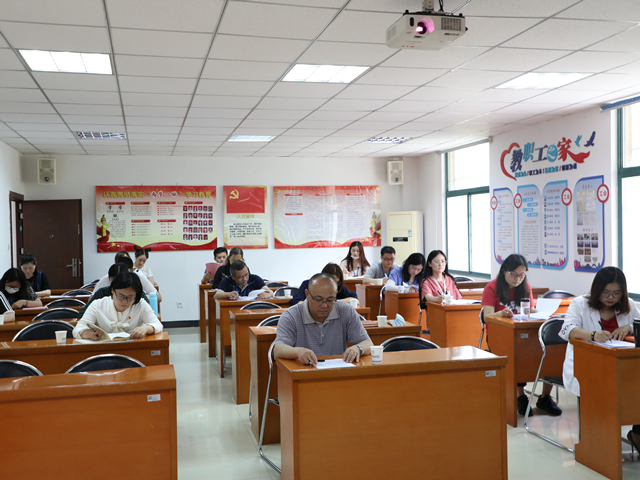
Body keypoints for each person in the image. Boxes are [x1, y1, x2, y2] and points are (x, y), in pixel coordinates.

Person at [558, 266, 640, 448]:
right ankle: (597, 440)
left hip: (621, 366)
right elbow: (567, 330)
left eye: (617, 293)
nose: (611, 297)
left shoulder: (628, 305)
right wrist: (592, 335)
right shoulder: (579, 304)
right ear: (597, 289)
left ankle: (637, 432)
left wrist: (628, 327)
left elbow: (638, 322)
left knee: (636, 391)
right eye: (606, 292)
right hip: (589, 364)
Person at [482, 254, 560, 417]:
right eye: (514, 274)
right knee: (519, 355)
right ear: (504, 271)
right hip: (500, 335)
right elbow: (487, 316)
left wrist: (544, 313)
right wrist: (500, 314)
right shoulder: (492, 287)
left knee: (551, 354)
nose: (518, 279)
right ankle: (521, 396)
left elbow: (530, 310)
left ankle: (545, 397)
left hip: (523, 333)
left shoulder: (526, 287)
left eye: (522, 275)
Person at [274, 273, 373, 365]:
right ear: (307, 294)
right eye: (318, 300)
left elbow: (368, 343)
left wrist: (358, 348)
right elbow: (278, 350)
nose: (324, 305)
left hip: (337, 371)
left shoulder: (345, 311)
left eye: (330, 300)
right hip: (303, 372)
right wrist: (298, 352)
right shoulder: (291, 315)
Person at [74, 271, 162, 340]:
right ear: (112, 290)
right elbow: (78, 328)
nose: (124, 301)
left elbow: (158, 325)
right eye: (120, 296)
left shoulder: (140, 304)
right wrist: (88, 334)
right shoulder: (97, 305)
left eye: (130, 297)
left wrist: (146, 328)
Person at [78, 264, 149, 316]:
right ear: (108, 279)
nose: (117, 284)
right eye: (114, 281)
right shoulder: (102, 292)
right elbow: (83, 314)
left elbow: (151, 313)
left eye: (129, 297)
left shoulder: (137, 292)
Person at [92, 256, 161, 301]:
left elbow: (158, 297)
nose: (118, 284)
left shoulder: (138, 277)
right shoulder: (105, 282)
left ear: (130, 271)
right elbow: (91, 301)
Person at [290, 262, 358, 306]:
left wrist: (334, 301)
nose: (333, 284)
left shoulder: (338, 286)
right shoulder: (308, 284)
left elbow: (355, 300)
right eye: (331, 281)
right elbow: (296, 301)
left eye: (336, 282)